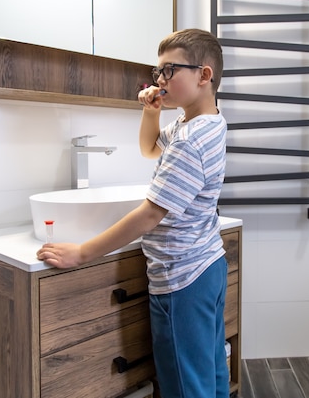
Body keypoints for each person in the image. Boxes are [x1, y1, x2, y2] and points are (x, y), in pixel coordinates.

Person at [36, 28, 229, 398]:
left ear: (204, 75)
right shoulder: (203, 122)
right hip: (207, 264)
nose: (160, 80)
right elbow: (150, 150)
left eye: (170, 70)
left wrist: (82, 251)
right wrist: (150, 111)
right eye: (158, 72)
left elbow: (149, 216)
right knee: (211, 373)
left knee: (187, 387)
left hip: (182, 277)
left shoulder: (191, 140)